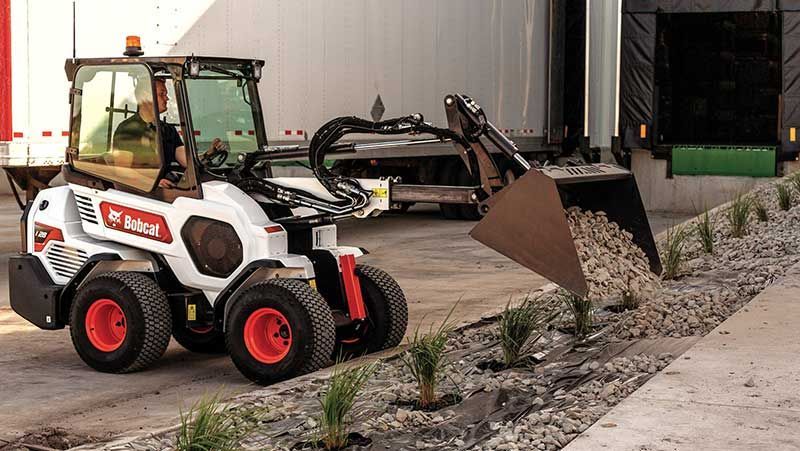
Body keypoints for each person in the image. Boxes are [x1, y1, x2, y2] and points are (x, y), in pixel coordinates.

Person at [112, 77, 226, 188]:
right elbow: (122, 171)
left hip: (166, 189)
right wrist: (153, 182)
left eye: (166, 94)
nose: (167, 99)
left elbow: (186, 161)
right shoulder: (128, 130)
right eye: (162, 94)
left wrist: (209, 153)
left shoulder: (167, 130)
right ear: (145, 98)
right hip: (142, 192)